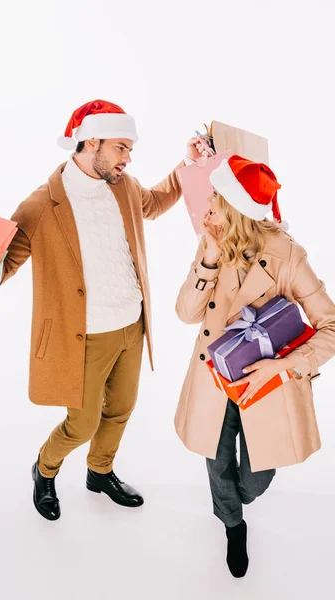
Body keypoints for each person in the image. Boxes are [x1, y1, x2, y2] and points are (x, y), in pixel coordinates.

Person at [0, 99, 204, 521]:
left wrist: (188, 164)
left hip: (132, 325)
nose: (127, 158)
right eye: (121, 147)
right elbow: (4, 265)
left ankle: (99, 472)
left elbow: (156, 202)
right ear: (91, 142)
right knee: (81, 424)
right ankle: (45, 469)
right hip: (83, 336)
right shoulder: (40, 206)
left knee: (121, 409)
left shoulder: (122, 185)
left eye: (129, 151)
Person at [174, 154, 335, 577]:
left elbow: (330, 325)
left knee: (256, 478)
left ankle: (237, 502)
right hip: (214, 378)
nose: (207, 203)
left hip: (267, 384)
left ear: (235, 205)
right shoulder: (212, 241)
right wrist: (207, 258)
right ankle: (232, 525)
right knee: (217, 456)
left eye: (215, 195)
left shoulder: (288, 254)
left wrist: (282, 367)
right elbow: (185, 313)